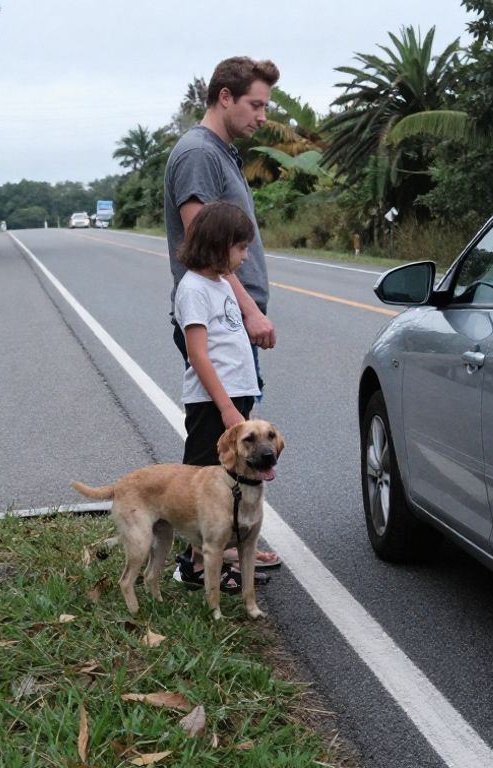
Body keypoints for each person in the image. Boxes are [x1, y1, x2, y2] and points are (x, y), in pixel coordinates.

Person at [165, 55, 284, 583]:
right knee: (214, 444)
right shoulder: (196, 154)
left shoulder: (224, 154)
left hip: (231, 321)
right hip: (223, 316)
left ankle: (227, 543)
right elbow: (205, 242)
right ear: (225, 98)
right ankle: (197, 558)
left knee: (234, 446)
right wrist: (250, 306)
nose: (263, 116)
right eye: (256, 104)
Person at [170, 201, 267, 592]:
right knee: (203, 477)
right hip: (213, 402)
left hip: (235, 397)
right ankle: (193, 563)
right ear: (216, 245)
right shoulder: (193, 289)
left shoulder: (221, 283)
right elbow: (198, 353)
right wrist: (227, 409)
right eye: (240, 248)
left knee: (231, 479)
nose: (245, 256)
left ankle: (218, 554)